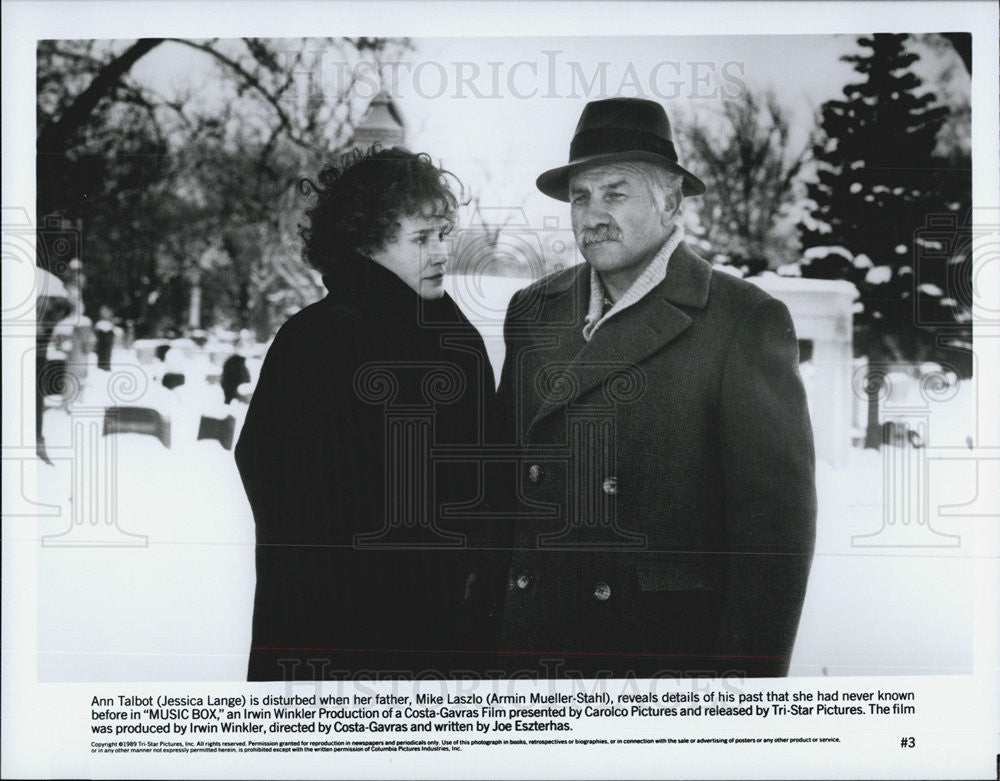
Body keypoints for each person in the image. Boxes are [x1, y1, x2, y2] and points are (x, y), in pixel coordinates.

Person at [495, 98, 816, 679]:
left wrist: (739, 703)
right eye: (580, 197)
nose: (592, 215)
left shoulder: (743, 319)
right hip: (529, 652)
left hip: (657, 660)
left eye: (615, 193)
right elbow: (501, 489)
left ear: (670, 201)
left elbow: (773, 543)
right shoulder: (534, 309)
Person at [235, 146, 497, 681]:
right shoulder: (318, 338)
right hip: (343, 636)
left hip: (447, 629)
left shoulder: (453, 334)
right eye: (420, 239)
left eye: (443, 234)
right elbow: (280, 487)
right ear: (366, 242)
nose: (441, 252)